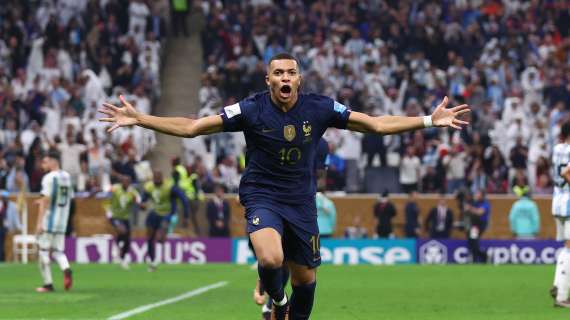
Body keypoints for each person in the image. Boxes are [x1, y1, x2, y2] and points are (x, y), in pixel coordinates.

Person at [99, 53, 469, 319]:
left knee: (305, 280)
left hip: (301, 201)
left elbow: (373, 124)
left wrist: (427, 120)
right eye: (278, 73)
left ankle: (288, 310)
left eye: (291, 72)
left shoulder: (320, 108)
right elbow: (193, 127)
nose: (285, 77)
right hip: (262, 195)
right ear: (269, 80)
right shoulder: (250, 109)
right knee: (270, 258)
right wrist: (141, 119)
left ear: (299, 79)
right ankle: (276, 302)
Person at [34, 150, 74, 293]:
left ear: (53, 161)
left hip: (49, 221)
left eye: (45, 161)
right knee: (58, 251)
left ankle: (48, 284)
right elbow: (67, 198)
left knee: (43, 251)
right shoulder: (67, 177)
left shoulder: (49, 178)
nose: (43, 164)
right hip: (62, 221)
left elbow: (46, 201)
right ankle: (66, 268)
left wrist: (39, 224)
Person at [141, 170, 189, 271]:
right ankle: (152, 261)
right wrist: (142, 205)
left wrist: (186, 216)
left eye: (158, 178)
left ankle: (162, 239)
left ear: (162, 178)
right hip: (154, 213)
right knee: (150, 237)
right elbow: (143, 200)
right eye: (154, 178)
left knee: (160, 238)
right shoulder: (149, 187)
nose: (156, 180)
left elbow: (184, 199)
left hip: (167, 214)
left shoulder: (170, 187)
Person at [550, 121, 570, 307]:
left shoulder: (557, 149)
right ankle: (562, 297)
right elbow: (566, 173)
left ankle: (558, 284)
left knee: (567, 246)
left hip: (558, 202)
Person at [106, 175, 141, 269]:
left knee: (127, 239)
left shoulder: (132, 191)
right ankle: (116, 247)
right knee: (122, 230)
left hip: (125, 217)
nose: (126, 183)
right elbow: (106, 194)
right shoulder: (115, 189)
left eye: (128, 182)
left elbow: (138, 199)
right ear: (121, 182)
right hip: (114, 215)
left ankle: (122, 258)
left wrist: (139, 203)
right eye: (124, 181)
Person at [464, 190, 490, 264]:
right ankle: (479, 258)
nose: (476, 195)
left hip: (479, 225)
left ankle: (482, 257)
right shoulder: (475, 203)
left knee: (474, 242)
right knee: (472, 242)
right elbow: (466, 210)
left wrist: (470, 208)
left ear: (482, 196)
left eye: (478, 194)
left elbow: (479, 212)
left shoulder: (485, 204)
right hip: (474, 225)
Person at [0, 191, 22, 262]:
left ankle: (2, 258)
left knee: (2, 243)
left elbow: (16, 219)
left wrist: (20, 227)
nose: (3, 199)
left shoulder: (12, 206)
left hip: (7, 228)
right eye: (2, 197)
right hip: (1, 226)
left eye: (5, 197)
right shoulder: (0, 205)